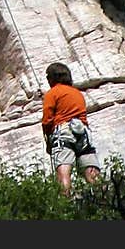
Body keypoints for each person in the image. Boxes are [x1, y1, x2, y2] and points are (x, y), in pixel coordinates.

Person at [41, 61, 101, 195]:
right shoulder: (77, 93)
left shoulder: (52, 93)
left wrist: (48, 142)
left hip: (63, 133)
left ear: (52, 78)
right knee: (92, 174)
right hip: (83, 133)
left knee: (64, 175)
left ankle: (65, 207)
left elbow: (47, 120)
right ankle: (108, 204)